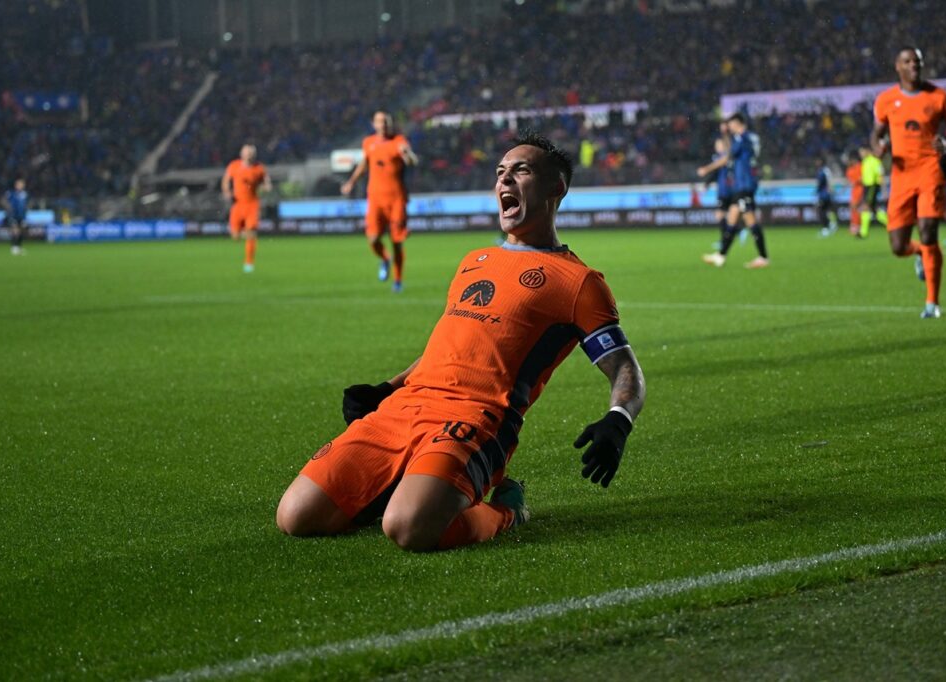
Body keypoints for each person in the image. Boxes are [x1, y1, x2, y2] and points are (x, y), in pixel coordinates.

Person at [277, 132, 645, 552]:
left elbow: (624, 367)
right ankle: (407, 487)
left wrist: (619, 420)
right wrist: (387, 389)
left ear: (555, 188)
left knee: (408, 528)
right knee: (295, 516)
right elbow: (451, 344)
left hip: (475, 420)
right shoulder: (475, 261)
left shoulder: (578, 282)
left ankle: (507, 510)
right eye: (500, 172)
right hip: (404, 407)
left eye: (521, 170)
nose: (504, 180)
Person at [870, 46, 946, 318]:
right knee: (898, 246)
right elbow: (876, 134)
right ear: (898, 67)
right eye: (908, 61)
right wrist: (878, 147)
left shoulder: (940, 97)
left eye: (917, 61)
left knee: (928, 231)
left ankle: (932, 303)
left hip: (930, 170)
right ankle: (920, 254)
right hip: (901, 175)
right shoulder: (886, 100)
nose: (914, 65)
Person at [341, 111, 418, 292]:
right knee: (373, 238)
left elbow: (412, 161)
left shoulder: (398, 141)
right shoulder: (368, 142)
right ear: (373, 124)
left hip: (396, 198)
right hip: (375, 198)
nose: (383, 125)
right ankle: (385, 258)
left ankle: (397, 281)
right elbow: (364, 164)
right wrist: (351, 182)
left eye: (386, 121)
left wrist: (407, 154)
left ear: (390, 124)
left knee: (396, 241)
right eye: (379, 122)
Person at [698, 114, 768, 268]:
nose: (729, 127)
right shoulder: (747, 138)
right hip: (743, 185)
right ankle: (721, 256)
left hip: (745, 185)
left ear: (737, 124)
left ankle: (763, 257)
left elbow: (727, 157)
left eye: (730, 124)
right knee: (732, 217)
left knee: (750, 220)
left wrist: (707, 169)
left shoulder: (742, 139)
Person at [221, 144, 271, 273]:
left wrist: (264, 188)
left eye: (251, 152)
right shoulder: (234, 165)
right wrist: (227, 191)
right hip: (238, 205)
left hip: (252, 205)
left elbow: (267, 184)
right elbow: (226, 180)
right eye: (246, 152)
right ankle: (246, 233)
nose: (248, 155)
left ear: (254, 155)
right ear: (241, 154)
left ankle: (249, 263)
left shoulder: (259, 168)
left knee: (251, 234)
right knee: (235, 236)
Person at [858, 145, 887, 238]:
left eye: (862, 152)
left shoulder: (875, 161)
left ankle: (863, 232)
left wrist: (883, 189)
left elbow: (880, 175)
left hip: (872, 186)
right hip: (867, 186)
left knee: (866, 207)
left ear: (867, 151)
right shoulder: (865, 161)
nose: (861, 154)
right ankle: (890, 224)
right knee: (872, 209)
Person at [1, 178, 29, 255]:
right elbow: (3, 200)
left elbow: (26, 203)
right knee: (15, 230)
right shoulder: (11, 193)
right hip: (13, 215)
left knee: (22, 231)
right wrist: (8, 207)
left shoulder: (25, 194)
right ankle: (14, 247)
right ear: (16, 185)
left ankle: (19, 246)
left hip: (22, 215)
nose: (21, 186)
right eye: (19, 184)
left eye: (22, 184)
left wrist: (26, 209)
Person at [815, 156, 839, 236]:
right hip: (824, 194)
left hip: (824, 194)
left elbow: (827, 182)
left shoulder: (824, 171)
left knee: (821, 210)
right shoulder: (823, 170)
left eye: (817, 161)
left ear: (821, 161)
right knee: (828, 210)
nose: (816, 163)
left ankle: (826, 227)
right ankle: (833, 224)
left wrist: (830, 190)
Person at [844, 151, 864, 236]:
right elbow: (849, 181)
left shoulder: (861, 166)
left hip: (860, 189)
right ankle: (855, 225)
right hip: (854, 190)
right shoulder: (849, 169)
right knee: (853, 208)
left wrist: (856, 181)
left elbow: (863, 178)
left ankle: (857, 226)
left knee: (856, 207)